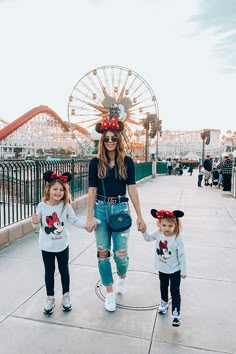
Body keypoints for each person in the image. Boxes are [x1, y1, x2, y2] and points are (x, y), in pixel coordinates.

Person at [85, 105, 146, 312]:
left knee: (121, 255)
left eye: (114, 138)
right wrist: (89, 217)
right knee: (103, 252)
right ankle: (109, 293)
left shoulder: (127, 162)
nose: (110, 141)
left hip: (120, 209)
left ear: (119, 140)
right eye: (106, 138)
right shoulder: (95, 163)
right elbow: (92, 191)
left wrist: (140, 216)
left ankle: (122, 275)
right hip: (101, 209)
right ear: (102, 141)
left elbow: (132, 189)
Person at [31, 171, 94, 314]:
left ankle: (66, 295)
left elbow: (73, 220)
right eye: (55, 189)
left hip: (62, 246)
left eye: (61, 190)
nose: (58, 192)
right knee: (49, 272)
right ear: (48, 190)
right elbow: (38, 226)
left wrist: (86, 225)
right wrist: (34, 222)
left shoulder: (66, 206)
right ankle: (50, 297)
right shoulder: (41, 206)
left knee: (64, 270)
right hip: (46, 246)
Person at [142, 209, 186, 327]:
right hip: (162, 268)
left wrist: (183, 269)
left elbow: (182, 255)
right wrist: (144, 231)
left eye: (170, 226)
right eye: (164, 225)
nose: (167, 228)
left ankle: (176, 314)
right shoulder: (158, 233)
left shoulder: (177, 238)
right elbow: (148, 238)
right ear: (159, 224)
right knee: (163, 286)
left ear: (175, 225)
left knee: (175, 290)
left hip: (175, 270)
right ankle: (164, 303)